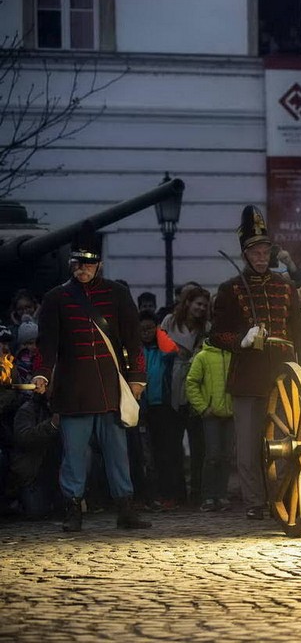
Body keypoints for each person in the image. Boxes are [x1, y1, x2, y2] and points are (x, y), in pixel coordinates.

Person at [32, 222, 150, 531]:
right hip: (74, 390)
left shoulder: (118, 294)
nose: (82, 268)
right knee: (74, 457)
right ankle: (73, 510)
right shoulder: (56, 298)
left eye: (88, 262)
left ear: (99, 263)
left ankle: (125, 509)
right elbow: (47, 345)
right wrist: (42, 375)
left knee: (118, 456)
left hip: (110, 387)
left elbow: (133, 341)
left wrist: (137, 378)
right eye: (77, 262)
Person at [210, 206, 301, 520]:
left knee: (284, 442)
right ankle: (254, 501)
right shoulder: (229, 290)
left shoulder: (286, 288)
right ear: (245, 253)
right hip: (248, 377)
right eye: (255, 250)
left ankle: (279, 496)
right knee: (249, 445)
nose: (261, 255)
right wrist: (241, 340)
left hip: (283, 378)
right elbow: (216, 336)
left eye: (265, 249)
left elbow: (299, 336)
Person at [160, 285, 211, 505]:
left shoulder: (206, 328)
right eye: (198, 303)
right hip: (171, 386)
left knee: (199, 446)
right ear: (188, 303)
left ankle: (197, 493)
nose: (201, 308)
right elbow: (159, 347)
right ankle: (177, 493)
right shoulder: (169, 322)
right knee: (172, 447)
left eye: (204, 305)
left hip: (196, 389)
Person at [138, 311, 182, 510]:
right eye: (142, 330)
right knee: (146, 454)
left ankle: (168, 495)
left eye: (149, 329)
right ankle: (148, 495)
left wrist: (160, 334)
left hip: (162, 406)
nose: (146, 333)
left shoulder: (162, 350)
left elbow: (172, 351)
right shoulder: (136, 352)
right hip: (141, 407)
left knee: (165, 453)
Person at [185, 336, 234, 512]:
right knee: (212, 456)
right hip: (211, 414)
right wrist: (203, 408)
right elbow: (191, 383)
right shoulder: (202, 357)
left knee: (226, 456)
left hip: (230, 414)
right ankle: (208, 497)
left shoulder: (232, 355)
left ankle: (221, 495)